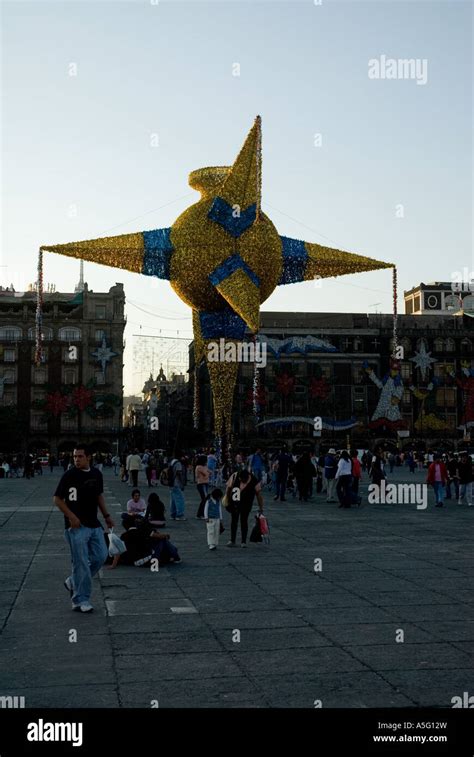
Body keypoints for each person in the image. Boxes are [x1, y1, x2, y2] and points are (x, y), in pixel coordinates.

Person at [53, 444, 113, 613]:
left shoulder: (96, 474)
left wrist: (107, 516)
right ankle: (81, 599)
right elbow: (57, 499)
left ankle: (73, 580)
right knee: (81, 563)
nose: (77, 459)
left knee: (101, 556)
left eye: (80, 456)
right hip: (76, 527)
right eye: (75, 457)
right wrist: (71, 516)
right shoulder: (69, 475)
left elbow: (99, 496)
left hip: (94, 524)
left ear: (88, 457)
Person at [109, 515, 180, 568]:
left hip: (135, 560)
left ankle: (173, 555)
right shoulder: (141, 532)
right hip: (143, 559)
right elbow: (159, 537)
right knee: (162, 540)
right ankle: (175, 555)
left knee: (160, 542)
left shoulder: (123, 535)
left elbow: (119, 551)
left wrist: (113, 564)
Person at [225, 468, 264, 547]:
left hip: (246, 504)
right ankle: (232, 540)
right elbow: (228, 488)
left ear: (248, 477)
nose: (242, 481)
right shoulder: (235, 476)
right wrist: (227, 499)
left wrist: (261, 507)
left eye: (244, 480)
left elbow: (258, 495)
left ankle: (243, 541)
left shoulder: (254, 480)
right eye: (241, 479)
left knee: (244, 521)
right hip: (234, 502)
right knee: (234, 521)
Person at [168, 451, 187, 521]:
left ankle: (173, 514)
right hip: (176, 483)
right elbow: (179, 474)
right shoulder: (178, 463)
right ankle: (180, 515)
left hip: (171, 483)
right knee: (180, 499)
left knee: (173, 500)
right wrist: (182, 483)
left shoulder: (172, 462)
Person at [195, 454, 210, 519]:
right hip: (201, 484)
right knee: (204, 499)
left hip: (205, 483)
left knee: (205, 499)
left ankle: (202, 513)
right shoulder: (199, 467)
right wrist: (208, 472)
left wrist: (208, 472)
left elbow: (209, 472)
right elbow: (206, 474)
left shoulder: (204, 466)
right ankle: (200, 514)